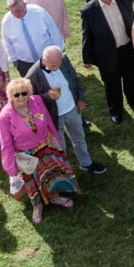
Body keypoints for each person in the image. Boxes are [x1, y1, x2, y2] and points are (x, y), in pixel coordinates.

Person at [0, 79, 78, 225]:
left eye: (24, 93)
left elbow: (48, 122)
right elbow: (6, 144)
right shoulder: (4, 117)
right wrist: (10, 167)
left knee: (52, 174)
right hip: (26, 154)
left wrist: (57, 142)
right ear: (10, 96)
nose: (21, 97)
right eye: (17, 95)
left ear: (29, 92)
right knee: (32, 183)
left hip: (47, 145)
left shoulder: (37, 100)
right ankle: (37, 206)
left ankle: (54, 196)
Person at [23, 46, 104, 174]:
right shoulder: (32, 75)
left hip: (72, 109)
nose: (57, 67)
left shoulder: (64, 59)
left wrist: (80, 99)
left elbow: (75, 79)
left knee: (79, 137)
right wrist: (46, 96)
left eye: (59, 64)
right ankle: (64, 172)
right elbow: (29, 100)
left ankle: (86, 163)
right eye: (53, 65)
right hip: (53, 116)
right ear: (44, 60)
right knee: (60, 147)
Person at [80, 0, 134, 122]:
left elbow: (133, 19)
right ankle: (116, 111)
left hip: (128, 48)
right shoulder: (89, 10)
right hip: (106, 54)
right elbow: (87, 35)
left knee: (131, 78)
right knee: (112, 84)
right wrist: (87, 58)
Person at [0, 0, 63, 77]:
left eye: (18, 10)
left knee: (53, 79)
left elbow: (54, 32)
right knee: (33, 87)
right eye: (12, 11)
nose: (15, 14)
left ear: (25, 5)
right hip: (25, 62)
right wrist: (14, 60)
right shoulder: (6, 21)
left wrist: (60, 50)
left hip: (47, 58)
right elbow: (7, 42)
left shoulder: (39, 13)